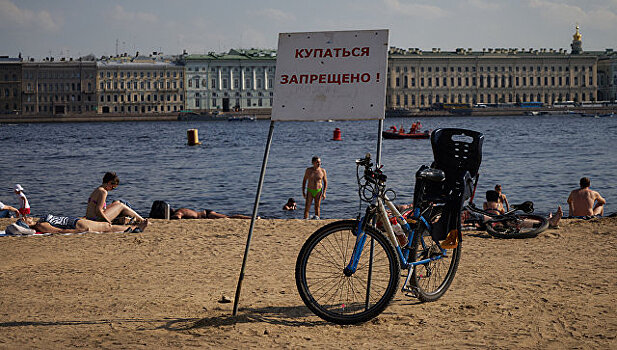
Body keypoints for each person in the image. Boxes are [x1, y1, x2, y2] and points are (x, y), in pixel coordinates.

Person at [18, 215, 148, 234]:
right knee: (107, 227)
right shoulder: (40, 226)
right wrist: (82, 231)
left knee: (107, 226)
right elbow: (59, 231)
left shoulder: (40, 220)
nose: (25, 217)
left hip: (76, 220)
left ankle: (134, 228)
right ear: (27, 225)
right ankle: (135, 229)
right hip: (77, 226)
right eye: (24, 220)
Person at [170, 207, 251, 219]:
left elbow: (178, 216)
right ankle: (251, 218)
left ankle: (251, 218)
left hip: (206, 215)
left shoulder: (179, 211)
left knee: (229, 217)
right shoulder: (181, 209)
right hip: (205, 213)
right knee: (228, 217)